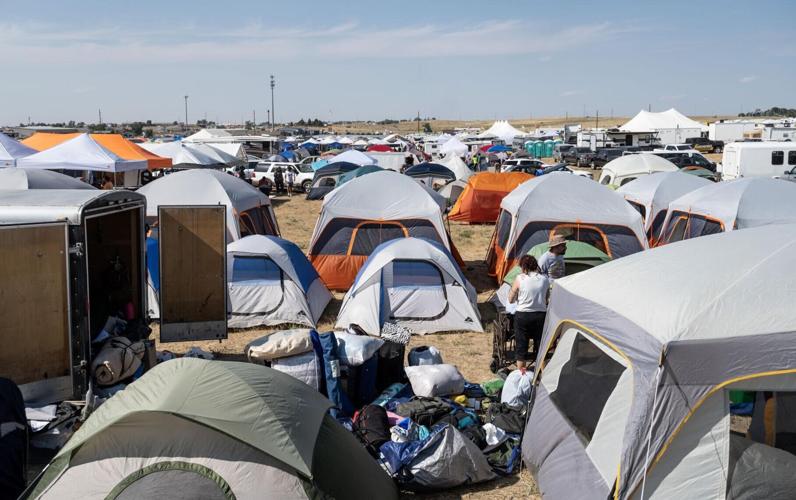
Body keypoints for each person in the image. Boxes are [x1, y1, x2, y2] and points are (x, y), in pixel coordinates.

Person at [508, 255, 549, 371]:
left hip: (523, 315)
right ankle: (542, 373)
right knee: (540, 344)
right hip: (540, 315)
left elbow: (511, 299)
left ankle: (522, 374)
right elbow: (546, 300)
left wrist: (514, 294)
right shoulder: (544, 279)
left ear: (523, 267)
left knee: (522, 345)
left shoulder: (520, 278)